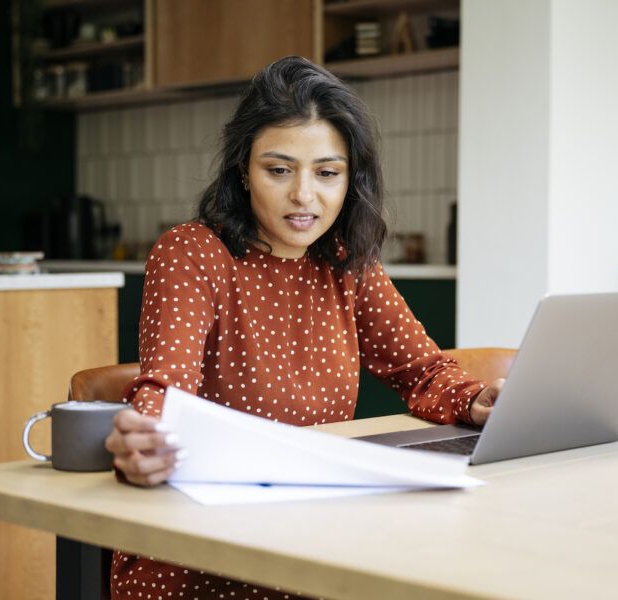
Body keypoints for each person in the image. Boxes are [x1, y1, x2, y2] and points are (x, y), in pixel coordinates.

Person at [103, 55, 504, 600]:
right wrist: (147, 439)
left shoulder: (344, 260)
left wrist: (477, 400)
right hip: (201, 549)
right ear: (243, 170)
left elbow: (424, 372)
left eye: (327, 173)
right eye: (279, 169)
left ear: (349, 180)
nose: (304, 197)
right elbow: (164, 390)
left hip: (315, 533)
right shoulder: (194, 252)